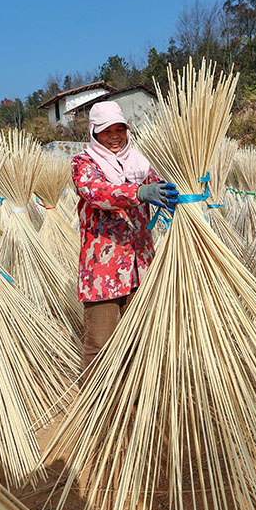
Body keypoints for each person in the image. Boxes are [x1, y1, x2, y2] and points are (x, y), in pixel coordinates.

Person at [71, 101, 178, 379]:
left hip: (141, 265)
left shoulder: (140, 163)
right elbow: (96, 191)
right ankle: (95, 407)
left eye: (121, 129)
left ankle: (135, 396)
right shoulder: (84, 163)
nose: (116, 135)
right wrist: (139, 193)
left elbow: (161, 186)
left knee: (141, 337)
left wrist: (181, 194)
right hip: (104, 272)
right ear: (95, 133)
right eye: (108, 131)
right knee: (100, 342)